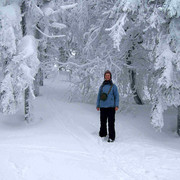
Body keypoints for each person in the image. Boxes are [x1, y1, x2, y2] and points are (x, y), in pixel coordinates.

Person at [96, 70, 119, 142]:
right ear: (104, 77)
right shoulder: (102, 86)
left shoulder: (114, 86)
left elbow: (116, 96)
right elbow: (99, 96)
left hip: (111, 107)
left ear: (110, 77)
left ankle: (111, 137)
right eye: (106, 75)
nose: (107, 77)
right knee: (102, 121)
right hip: (103, 107)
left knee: (111, 122)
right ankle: (103, 133)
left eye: (108, 75)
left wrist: (116, 105)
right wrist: (98, 105)